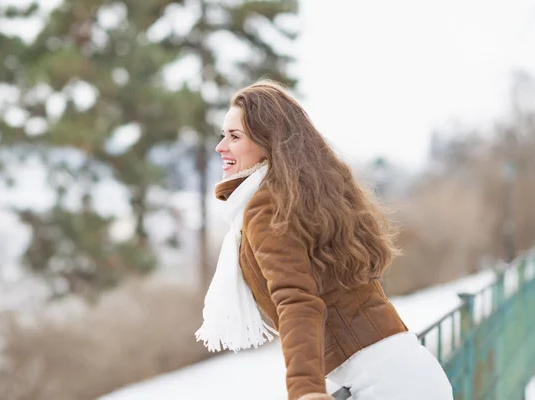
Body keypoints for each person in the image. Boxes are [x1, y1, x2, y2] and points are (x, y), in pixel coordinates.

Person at [195, 80, 454, 400]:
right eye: (224, 135)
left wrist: (305, 389)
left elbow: (296, 299)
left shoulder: (268, 206)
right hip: (404, 369)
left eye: (234, 136)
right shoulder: (302, 197)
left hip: (381, 383)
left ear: (268, 142)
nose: (221, 146)